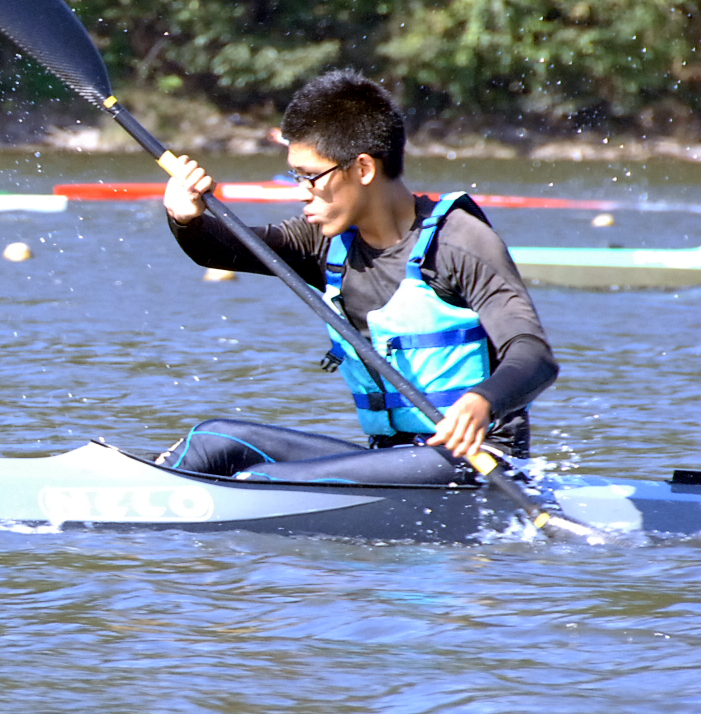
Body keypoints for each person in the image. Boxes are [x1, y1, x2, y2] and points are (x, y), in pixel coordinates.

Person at [157, 69, 558, 485]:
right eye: (296, 177)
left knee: (262, 478)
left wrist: (482, 402)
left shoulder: (459, 242)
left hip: (479, 465)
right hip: (393, 460)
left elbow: (534, 356)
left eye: (310, 177)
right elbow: (226, 247)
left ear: (363, 168)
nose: (301, 192)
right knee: (213, 441)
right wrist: (185, 218)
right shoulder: (324, 240)